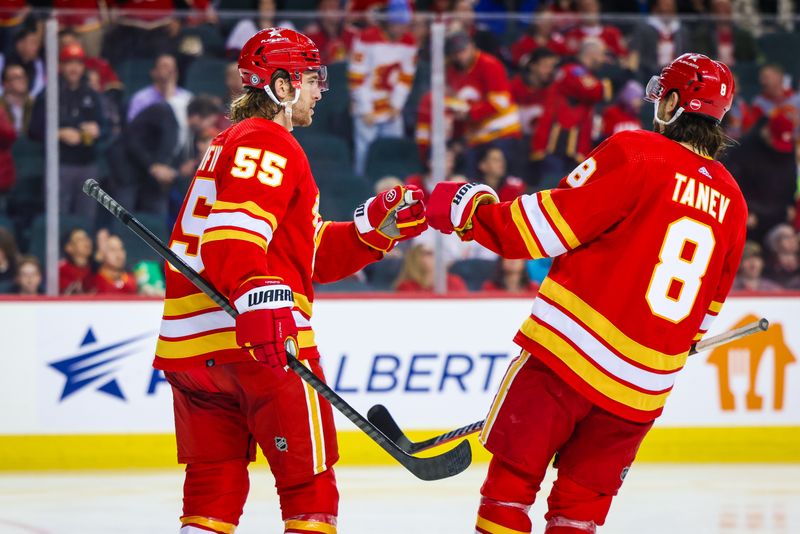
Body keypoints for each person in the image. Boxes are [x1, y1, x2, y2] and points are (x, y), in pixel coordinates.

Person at [426, 53, 747, 533]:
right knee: (578, 516)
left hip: (566, 361)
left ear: (676, 102)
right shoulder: (733, 202)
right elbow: (707, 310)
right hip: (641, 390)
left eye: (665, 94)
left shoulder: (637, 152)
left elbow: (544, 228)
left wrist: (470, 213)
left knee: (508, 494)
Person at [154, 28, 427, 534]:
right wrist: (261, 305)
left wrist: (374, 233)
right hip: (259, 342)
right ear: (281, 86)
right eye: (311, 78)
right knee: (310, 487)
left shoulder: (232, 143)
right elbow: (230, 241)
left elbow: (306, 253)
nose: (321, 89)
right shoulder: (266, 139)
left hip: (195, 351)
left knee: (212, 486)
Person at [29, 43, 105, 222]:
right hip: (60, 163)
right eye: (69, 62)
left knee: (86, 217)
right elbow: (33, 130)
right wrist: (57, 133)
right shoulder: (49, 94)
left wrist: (98, 130)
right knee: (58, 217)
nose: (74, 68)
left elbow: (107, 127)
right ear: (61, 66)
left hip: (87, 163)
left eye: (78, 63)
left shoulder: (92, 94)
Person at [347, 0, 417, 176]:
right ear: (389, 21)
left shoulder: (409, 42)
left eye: (405, 24)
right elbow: (356, 77)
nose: (402, 29)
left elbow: (406, 76)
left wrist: (396, 105)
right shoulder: (366, 38)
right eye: (398, 24)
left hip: (391, 108)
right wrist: (365, 108)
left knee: (393, 151)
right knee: (364, 154)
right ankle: (363, 191)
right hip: (367, 107)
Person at [530, 37, 610, 189]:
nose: (603, 60)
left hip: (573, 147)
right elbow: (594, 91)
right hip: (557, 145)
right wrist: (606, 83)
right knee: (550, 191)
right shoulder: (571, 71)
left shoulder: (581, 73)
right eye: (601, 55)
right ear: (591, 55)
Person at [394, 242, 467, 292]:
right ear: (416, 259)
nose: (437, 256)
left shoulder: (455, 282)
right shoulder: (406, 287)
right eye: (429, 253)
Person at [59, 227, 94, 295]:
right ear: (69, 247)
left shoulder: (96, 269)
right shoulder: (60, 271)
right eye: (80, 239)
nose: (86, 242)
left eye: (86, 238)